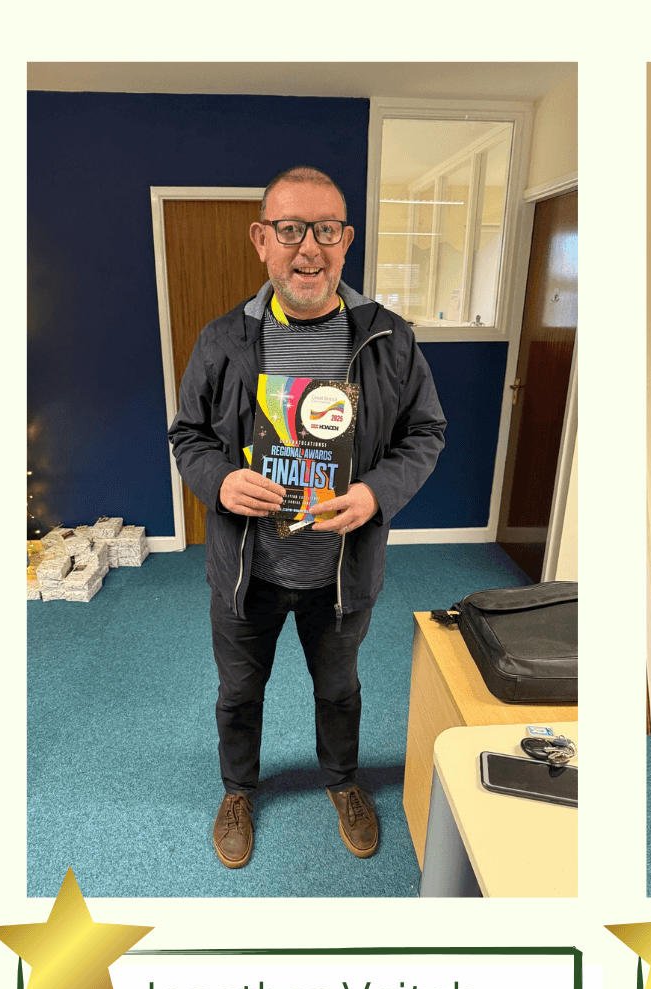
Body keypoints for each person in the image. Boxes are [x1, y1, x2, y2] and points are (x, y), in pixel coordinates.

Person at [169, 166, 446, 870]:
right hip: (247, 570)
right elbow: (189, 436)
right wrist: (222, 480)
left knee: (340, 689)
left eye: (325, 230)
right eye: (290, 230)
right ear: (262, 240)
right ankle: (238, 790)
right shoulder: (222, 339)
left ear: (345, 240)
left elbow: (426, 433)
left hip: (342, 573)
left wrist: (377, 492)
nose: (308, 249)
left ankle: (342, 781)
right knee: (238, 692)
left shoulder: (388, 338)